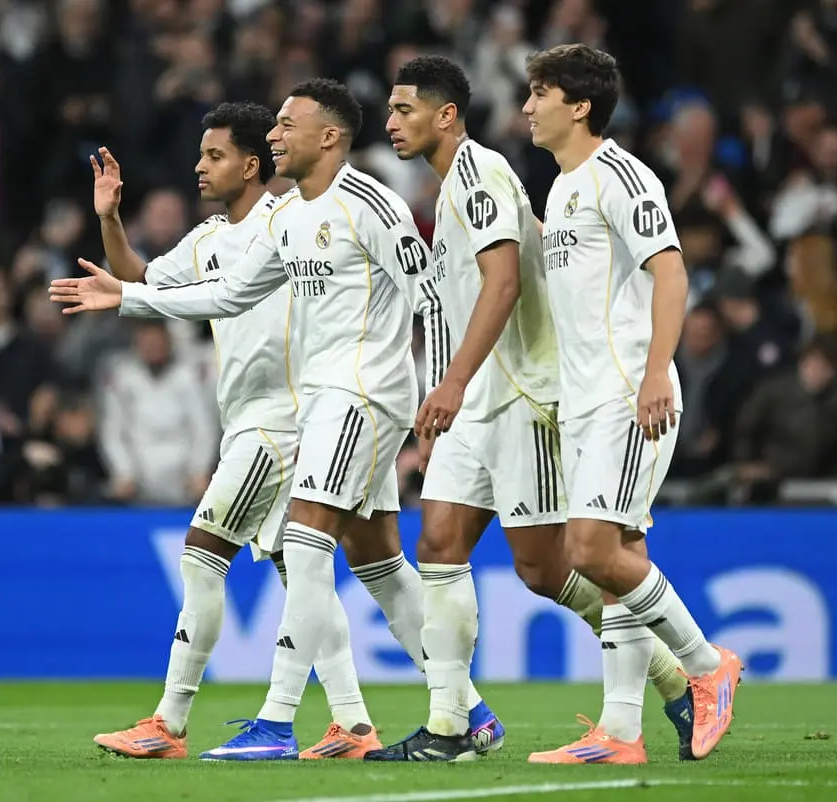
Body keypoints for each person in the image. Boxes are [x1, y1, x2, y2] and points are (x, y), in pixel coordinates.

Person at [50, 83, 503, 761]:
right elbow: (228, 294)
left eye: (286, 126)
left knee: (288, 545)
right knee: (377, 567)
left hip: (347, 401)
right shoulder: (283, 220)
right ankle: (460, 711)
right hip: (318, 407)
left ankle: (267, 720)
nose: (276, 136)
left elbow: (430, 295)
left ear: (326, 136)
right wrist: (127, 291)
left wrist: (446, 392)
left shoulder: (369, 203)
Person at [363, 55, 692, 763]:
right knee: (439, 542)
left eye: (402, 110)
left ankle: (672, 676)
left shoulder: (480, 174)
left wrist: (448, 381)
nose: (389, 123)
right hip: (473, 400)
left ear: (445, 114)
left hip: (514, 396)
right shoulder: (468, 183)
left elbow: (503, 283)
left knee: (553, 567)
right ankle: (454, 724)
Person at [522, 44, 742, 764]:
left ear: (579, 105)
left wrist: (654, 373)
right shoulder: (559, 190)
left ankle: (707, 668)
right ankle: (620, 733)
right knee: (614, 558)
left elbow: (671, 273)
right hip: (584, 402)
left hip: (628, 391)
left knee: (587, 549)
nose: (527, 106)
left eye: (540, 93)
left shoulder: (621, 174)